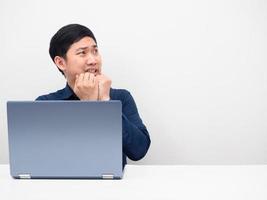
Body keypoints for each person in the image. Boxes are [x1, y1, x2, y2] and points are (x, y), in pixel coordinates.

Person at [36, 24, 151, 167]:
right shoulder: (45, 104)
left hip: (112, 185)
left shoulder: (121, 97)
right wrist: (89, 107)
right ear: (61, 62)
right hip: (63, 184)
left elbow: (138, 151)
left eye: (95, 51)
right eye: (82, 53)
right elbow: (48, 158)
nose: (93, 60)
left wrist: (105, 104)